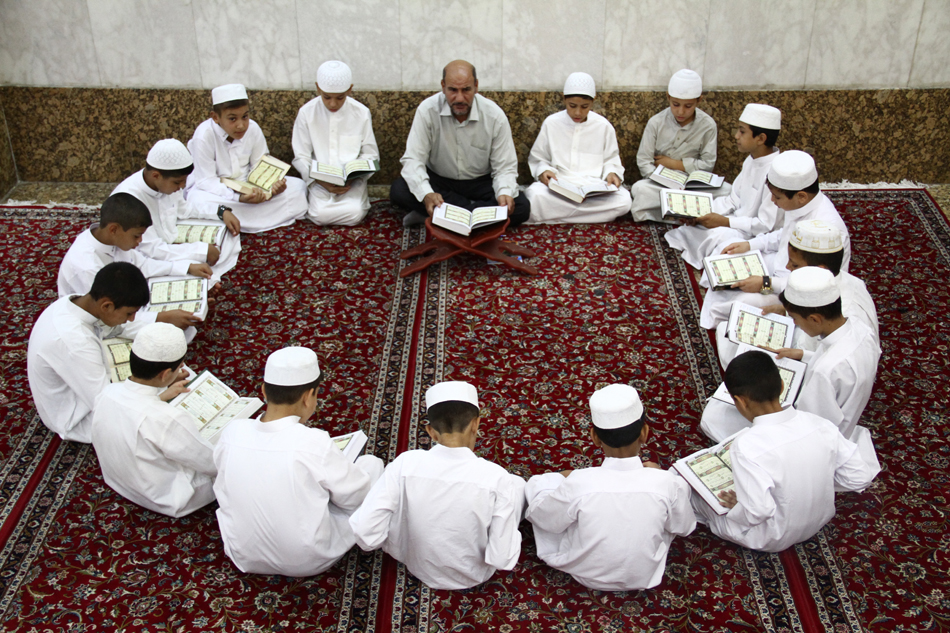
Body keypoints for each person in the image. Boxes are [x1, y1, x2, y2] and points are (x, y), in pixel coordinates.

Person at [213, 347, 384, 576]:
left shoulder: (232, 432)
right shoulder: (312, 442)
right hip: (306, 560)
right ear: (308, 396)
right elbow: (356, 497)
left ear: (263, 391)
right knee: (372, 465)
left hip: (243, 555)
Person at [692, 350, 879, 552]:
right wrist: (816, 480)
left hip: (769, 537)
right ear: (782, 386)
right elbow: (860, 477)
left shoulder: (746, 446)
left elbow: (757, 512)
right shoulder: (820, 424)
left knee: (692, 490)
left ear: (741, 401)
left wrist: (739, 507)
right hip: (819, 522)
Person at [349, 381, 525, 590]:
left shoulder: (406, 463)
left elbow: (366, 532)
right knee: (517, 485)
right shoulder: (496, 477)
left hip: (417, 566)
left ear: (431, 431)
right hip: (474, 574)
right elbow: (501, 559)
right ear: (476, 424)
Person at [524, 384, 694, 591]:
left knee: (539, 485)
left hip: (587, 574)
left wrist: (561, 478)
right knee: (675, 495)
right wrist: (660, 476)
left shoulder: (579, 482)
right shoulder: (666, 483)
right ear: (645, 433)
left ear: (594, 437)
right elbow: (684, 527)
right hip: (644, 575)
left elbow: (543, 519)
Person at [700, 267, 881, 455]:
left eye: (794, 318)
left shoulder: (825, 371)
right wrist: (802, 355)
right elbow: (838, 360)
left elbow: (810, 427)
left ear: (815, 319)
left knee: (715, 417)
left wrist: (775, 406)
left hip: (816, 443)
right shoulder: (860, 329)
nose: (794, 323)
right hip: (832, 420)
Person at [699, 150, 851, 329]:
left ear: (801, 196)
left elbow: (817, 284)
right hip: (779, 266)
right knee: (728, 250)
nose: (772, 200)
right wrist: (750, 244)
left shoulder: (827, 231)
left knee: (742, 303)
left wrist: (766, 283)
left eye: (777, 197)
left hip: (795, 291)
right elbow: (782, 235)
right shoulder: (800, 206)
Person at [714, 220, 878, 368]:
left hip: (809, 365)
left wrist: (799, 356)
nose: (787, 267)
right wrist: (785, 311)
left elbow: (835, 361)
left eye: (795, 265)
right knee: (727, 329)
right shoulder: (838, 280)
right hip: (802, 343)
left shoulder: (847, 312)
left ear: (820, 270)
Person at [91, 322, 216, 517]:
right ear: (165, 374)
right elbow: (211, 463)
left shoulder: (108, 392)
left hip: (122, 482)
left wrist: (161, 397)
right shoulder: (168, 419)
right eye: (179, 367)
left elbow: (135, 412)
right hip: (170, 497)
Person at [390, 60, 530, 228]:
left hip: (480, 182)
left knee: (521, 206)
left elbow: (504, 167)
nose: (460, 98)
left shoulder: (494, 116)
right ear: (443, 86)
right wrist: (427, 194)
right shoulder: (427, 110)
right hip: (441, 181)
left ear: (476, 86)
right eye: (453, 90)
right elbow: (413, 159)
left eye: (466, 90)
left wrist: (504, 193)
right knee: (399, 190)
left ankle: (439, 216)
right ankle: (477, 215)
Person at [28, 262, 149, 443]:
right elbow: (105, 403)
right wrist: (154, 389)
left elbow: (115, 329)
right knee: (161, 415)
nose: (131, 319)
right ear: (106, 306)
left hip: (85, 385)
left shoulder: (76, 303)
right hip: (77, 417)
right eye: (129, 313)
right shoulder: (75, 342)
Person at [57, 192, 204, 336]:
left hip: (123, 307)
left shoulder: (112, 239)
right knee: (166, 339)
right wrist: (161, 318)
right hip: (99, 324)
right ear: (113, 229)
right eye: (136, 236)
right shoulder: (87, 267)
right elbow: (107, 319)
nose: (140, 241)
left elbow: (142, 265)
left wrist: (185, 268)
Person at [665, 104, 782, 267]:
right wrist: (702, 214)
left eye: (742, 132)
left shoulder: (776, 173)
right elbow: (732, 200)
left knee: (717, 238)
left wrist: (725, 222)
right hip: (735, 221)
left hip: (754, 235)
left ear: (761, 139)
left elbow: (764, 225)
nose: (736, 136)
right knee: (691, 229)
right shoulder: (751, 160)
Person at [112, 138, 242, 285]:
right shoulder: (130, 199)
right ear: (156, 175)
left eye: (184, 181)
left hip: (171, 243)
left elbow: (185, 209)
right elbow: (151, 250)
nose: (182, 187)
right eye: (177, 182)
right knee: (194, 271)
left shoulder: (166, 184)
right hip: (146, 257)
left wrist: (221, 211)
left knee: (226, 234)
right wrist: (201, 250)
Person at [185, 83, 308, 233]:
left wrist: (271, 187)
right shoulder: (204, 136)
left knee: (298, 187)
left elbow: (260, 166)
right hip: (219, 192)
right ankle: (239, 216)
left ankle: (234, 220)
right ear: (216, 117)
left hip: (251, 189)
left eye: (245, 116)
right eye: (232, 119)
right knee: (196, 200)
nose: (241, 125)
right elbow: (206, 181)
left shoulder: (253, 129)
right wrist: (238, 198)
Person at [522, 72, 631, 224]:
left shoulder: (603, 126)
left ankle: (558, 216)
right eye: (572, 106)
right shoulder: (551, 123)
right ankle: (590, 217)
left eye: (584, 107)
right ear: (564, 99)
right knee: (534, 195)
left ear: (593, 101)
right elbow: (539, 158)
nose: (577, 112)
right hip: (559, 186)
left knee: (624, 200)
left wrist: (611, 173)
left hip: (593, 189)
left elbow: (611, 160)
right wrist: (543, 171)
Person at [629, 69, 731, 223]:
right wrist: (662, 180)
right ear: (668, 97)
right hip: (661, 186)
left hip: (692, 186)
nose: (681, 111)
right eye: (675, 104)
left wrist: (674, 164)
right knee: (639, 189)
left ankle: (673, 211)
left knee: (727, 190)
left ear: (699, 100)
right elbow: (644, 161)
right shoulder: (656, 122)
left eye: (688, 106)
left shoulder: (708, 125)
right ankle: (692, 213)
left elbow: (708, 164)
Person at [292, 61, 380, 226]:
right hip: (319, 182)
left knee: (355, 213)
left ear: (349, 89)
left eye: (340, 97)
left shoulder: (361, 113)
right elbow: (301, 156)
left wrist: (353, 176)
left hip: (351, 183)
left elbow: (370, 154)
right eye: (327, 97)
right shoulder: (306, 113)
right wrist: (320, 181)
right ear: (318, 88)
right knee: (319, 214)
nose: (333, 104)